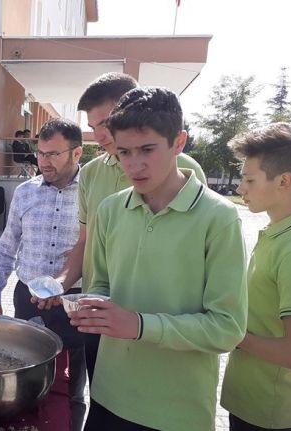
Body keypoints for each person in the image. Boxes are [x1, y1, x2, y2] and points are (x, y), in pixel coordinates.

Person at [68, 87, 247, 431]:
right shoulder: (109, 209)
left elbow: (227, 328)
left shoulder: (218, 217)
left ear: (178, 142)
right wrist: (90, 307)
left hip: (177, 411)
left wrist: (139, 325)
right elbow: (102, 284)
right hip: (107, 399)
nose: (134, 165)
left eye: (147, 149)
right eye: (124, 152)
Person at [45, 72, 208, 384]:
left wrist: (145, 323)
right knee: (103, 399)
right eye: (92, 127)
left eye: (106, 123)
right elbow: (85, 243)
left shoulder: (186, 171)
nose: (101, 135)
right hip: (100, 316)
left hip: (163, 327)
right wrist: (60, 283)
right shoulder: (90, 175)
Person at [221, 123, 291, 431]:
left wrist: (232, 333)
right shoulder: (279, 234)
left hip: (270, 414)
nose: (241, 188)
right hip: (250, 403)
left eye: (249, 179)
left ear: (283, 181)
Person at [0, 118, 89, 431]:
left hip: (72, 304)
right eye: (40, 153)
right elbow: (6, 247)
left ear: (77, 153)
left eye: (54, 154)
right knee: (25, 381)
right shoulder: (25, 193)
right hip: (28, 300)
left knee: (71, 389)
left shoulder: (92, 194)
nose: (44, 161)